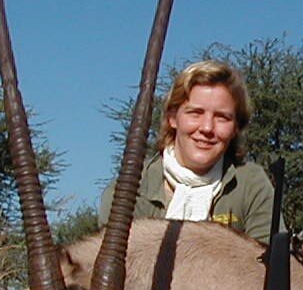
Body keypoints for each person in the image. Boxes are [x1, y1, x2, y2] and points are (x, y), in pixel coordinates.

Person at [100, 60, 279, 242]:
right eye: (195, 113)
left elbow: (268, 264)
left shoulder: (251, 184)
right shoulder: (129, 191)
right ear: (172, 118)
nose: (207, 128)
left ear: (235, 128)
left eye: (222, 117)